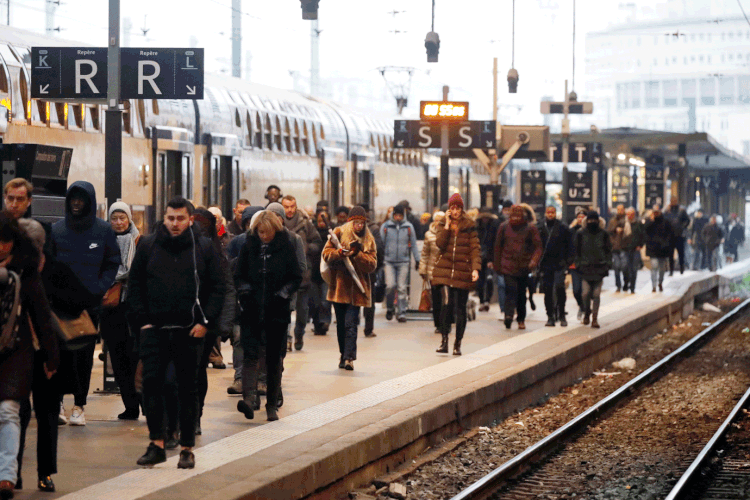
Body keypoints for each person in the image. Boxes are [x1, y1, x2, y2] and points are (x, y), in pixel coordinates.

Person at [128, 197, 226, 469]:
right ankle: (156, 443)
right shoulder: (148, 245)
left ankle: (186, 448)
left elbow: (217, 287)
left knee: (186, 389)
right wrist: (142, 322)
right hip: (154, 329)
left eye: (180, 219)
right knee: (152, 386)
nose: (174, 224)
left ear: (190, 219)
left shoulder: (203, 247)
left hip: (189, 330)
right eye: (170, 218)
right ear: (165, 217)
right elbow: (135, 284)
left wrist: (205, 323)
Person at [50, 181, 121, 426]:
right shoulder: (57, 230)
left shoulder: (103, 231)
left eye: (81, 199)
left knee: (84, 356)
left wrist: (100, 287)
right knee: (57, 353)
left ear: (89, 201)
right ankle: (57, 402)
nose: (77, 203)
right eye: (73, 199)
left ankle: (79, 405)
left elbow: (113, 262)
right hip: (59, 305)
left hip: (89, 306)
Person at [0, 213, 60, 498]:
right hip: (16, 351)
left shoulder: (29, 270)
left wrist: (51, 356)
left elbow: (43, 314)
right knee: (12, 414)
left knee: (16, 412)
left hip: (23, 350)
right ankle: (11, 472)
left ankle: (17, 475)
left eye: (6, 241)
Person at [234, 210, 300, 421]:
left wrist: (284, 294)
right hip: (251, 310)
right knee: (250, 356)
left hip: (276, 311)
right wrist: (244, 292)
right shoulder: (248, 246)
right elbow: (238, 274)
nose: (264, 236)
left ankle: (271, 404)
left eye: (267, 232)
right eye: (261, 232)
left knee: (273, 358)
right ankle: (249, 399)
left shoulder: (285, 247)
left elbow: (296, 276)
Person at [191, 208, 236, 434]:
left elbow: (225, 288)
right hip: (182, 318)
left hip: (206, 320)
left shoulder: (216, 252)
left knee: (198, 367)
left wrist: (223, 324)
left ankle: (195, 414)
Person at [322, 206, 377, 370]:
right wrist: (340, 252)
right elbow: (326, 253)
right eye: (356, 222)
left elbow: (372, 264)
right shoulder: (338, 232)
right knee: (340, 325)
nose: (359, 226)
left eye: (362, 223)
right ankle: (343, 354)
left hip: (357, 289)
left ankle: (349, 358)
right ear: (350, 221)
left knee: (350, 324)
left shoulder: (368, 239)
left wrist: (357, 255)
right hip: (339, 287)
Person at [99, 202, 140, 420]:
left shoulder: (138, 240)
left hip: (131, 307)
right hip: (110, 307)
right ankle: (130, 406)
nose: (118, 222)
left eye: (122, 217)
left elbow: (134, 270)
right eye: (114, 218)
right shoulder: (103, 240)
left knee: (134, 356)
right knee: (117, 358)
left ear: (130, 219)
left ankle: (141, 398)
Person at [433, 195, 481, 355]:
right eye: (452, 208)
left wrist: (475, 269)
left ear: (462, 209)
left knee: (460, 309)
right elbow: (439, 244)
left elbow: (475, 249)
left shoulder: (469, 226)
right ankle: (444, 341)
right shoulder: (442, 223)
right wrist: (446, 225)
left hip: (462, 271)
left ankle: (457, 343)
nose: (455, 212)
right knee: (446, 305)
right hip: (445, 271)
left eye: (458, 208)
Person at [280, 195, 322, 351]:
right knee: (286, 309)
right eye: (286, 206)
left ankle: (299, 333)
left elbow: (317, 242)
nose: (290, 210)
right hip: (283, 276)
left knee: (302, 311)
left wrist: (306, 249)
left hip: (303, 274)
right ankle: (287, 338)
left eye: (292, 206)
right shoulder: (278, 222)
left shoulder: (305, 223)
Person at [494, 205, 542, 330]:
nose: (515, 219)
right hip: (508, 265)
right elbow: (498, 247)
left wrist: (533, 261)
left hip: (524, 267)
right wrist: (497, 265)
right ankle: (509, 315)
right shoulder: (504, 227)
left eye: (517, 216)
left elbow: (538, 247)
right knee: (511, 290)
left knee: (521, 293)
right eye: (513, 216)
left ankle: (521, 318)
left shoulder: (530, 228)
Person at [380, 204, 420, 323]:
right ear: (393, 215)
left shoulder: (408, 227)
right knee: (390, 285)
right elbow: (381, 244)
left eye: (400, 215)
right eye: (396, 215)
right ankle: (390, 307)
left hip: (403, 261)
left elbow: (413, 244)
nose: (398, 217)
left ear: (403, 215)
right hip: (388, 261)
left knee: (402, 287)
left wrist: (417, 259)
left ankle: (402, 313)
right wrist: (379, 259)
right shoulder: (386, 227)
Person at [574, 210, 612, 328]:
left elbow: (608, 250)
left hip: (599, 268)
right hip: (585, 268)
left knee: (596, 294)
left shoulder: (604, 234)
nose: (592, 222)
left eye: (594, 220)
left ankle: (594, 318)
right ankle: (587, 312)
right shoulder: (580, 234)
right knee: (585, 294)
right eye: (590, 220)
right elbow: (576, 250)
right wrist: (578, 263)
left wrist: (607, 264)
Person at [539, 206, 573, 327]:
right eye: (548, 212)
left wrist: (568, 262)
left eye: (552, 212)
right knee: (547, 290)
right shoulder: (540, 227)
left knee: (559, 287)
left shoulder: (563, 227)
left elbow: (570, 245)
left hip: (560, 263)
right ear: (545, 213)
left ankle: (562, 314)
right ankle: (550, 316)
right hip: (545, 264)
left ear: (556, 213)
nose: (550, 214)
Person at [419, 211, 446, 334]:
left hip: (446, 270)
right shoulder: (428, 235)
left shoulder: (448, 233)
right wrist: (423, 270)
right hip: (433, 271)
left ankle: (446, 322)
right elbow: (425, 254)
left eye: (441, 220)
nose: (439, 222)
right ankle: (438, 324)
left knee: (446, 298)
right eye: (437, 220)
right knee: (436, 298)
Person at [360, 204, 384, 338]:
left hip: (354, 270)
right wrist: (377, 266)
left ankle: (351, 323)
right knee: (369, 300)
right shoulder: (374, 228)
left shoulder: (347, 229)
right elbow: (380, 249)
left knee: (353, 300)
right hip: (369, 270)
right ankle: (368, 329)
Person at [310, 210, 333, 336]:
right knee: (314, 301)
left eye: (323, 220)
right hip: (313, 272)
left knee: (325, 300)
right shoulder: (313, 234)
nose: (321, 223)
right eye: (319, 221)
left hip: (327, 272)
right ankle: (316, 323)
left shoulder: (332, 235)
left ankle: (325, 322)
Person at [475, 207, 499, 312]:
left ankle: (487, 300)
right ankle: (482, 300)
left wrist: (492, 259)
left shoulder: (495, 225)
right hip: (478, 256)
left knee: (489, 279)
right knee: (479, 280)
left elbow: (495, 243)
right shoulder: (476, 225)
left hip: (490, 256)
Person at [644, 204, 673, 292]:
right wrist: (651, 221)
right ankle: (653, 285)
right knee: (654, 266)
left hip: (663, 249)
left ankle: (660, 282)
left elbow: (670, 233)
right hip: (652, 248)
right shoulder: (649, 221)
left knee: (662, 268)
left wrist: (666, 243)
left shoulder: (665, 221)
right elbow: (645, 231)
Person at [569, 207, 588, 320]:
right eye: (579, 217)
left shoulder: (589, 231)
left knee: (585, 291)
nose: (580, 219)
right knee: (576, 290)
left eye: (582, 217)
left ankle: (586, 309)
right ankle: (582, 306)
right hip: (575, 265)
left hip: (586, 265)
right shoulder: (572, 231)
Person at [622, 207, 645, 294]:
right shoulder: (624, 223)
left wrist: (640, 245)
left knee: (634, 269)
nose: (629, 216)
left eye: (631, 214)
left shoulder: (638, 223)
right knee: (625, 267)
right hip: (625, 249)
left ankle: (632, 287)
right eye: (628, 214)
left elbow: (643, 235)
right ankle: (626, 282)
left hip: (635, 249)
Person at [664, 199, 690, 276]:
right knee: (670, 255)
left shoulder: (681, 211)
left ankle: (682, 268)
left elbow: (687, 220)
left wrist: (683, 227)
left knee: (681, 253)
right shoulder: (667, 211)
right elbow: (664, 221)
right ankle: (671, 270)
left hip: (679, 235)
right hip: (670, 236)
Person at [606, 204, 628, 292]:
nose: (620, 211)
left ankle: (626, 282)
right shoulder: (613, 220)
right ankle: (618, 285)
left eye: (621, 209)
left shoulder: (627, 220)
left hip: (624, 247)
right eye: (618, 209)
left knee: (624, 266)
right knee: (616, 267)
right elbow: (608, 232)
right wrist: (615, 230)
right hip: (615, 247)